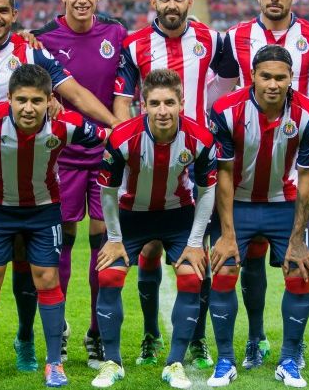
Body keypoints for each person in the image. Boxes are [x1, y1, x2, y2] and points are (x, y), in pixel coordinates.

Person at [0, 0, 120, 374]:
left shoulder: (32, 50)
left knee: (26, 257)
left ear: (14, 15)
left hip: (26, 166)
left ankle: (25, 338)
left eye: (4, 11)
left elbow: (76, 93)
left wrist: (120, 128)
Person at [0, 64, 107, 388]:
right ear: (9, 98)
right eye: (21, 100)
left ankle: (54, 363)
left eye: (36, 100)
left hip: (43, 212)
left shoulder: (66, 125)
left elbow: (107, 138)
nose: (28, 108)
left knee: (47, 279)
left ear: (49, 100)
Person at [112, 0, 229, 369]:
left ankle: (197, 341)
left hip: (197, 156)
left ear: (189, 2)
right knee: (148, 249)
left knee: (199, 252)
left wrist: (210, 120)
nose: (172, 5)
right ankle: (149, 334)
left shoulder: (212, 39)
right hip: (148, 157)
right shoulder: (135, 44)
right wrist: (127, 142)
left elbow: (228, 82)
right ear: (153, 3)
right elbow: (124, 98)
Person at [216, 0, 309, 370]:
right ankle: (252, 340)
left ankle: (289, 354)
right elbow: (223, 93)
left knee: (295, 267)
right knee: (241, 264)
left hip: (288, 171)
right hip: (241, 170)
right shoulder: (234, 37)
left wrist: (300, 129)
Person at [92, 69, 217, 389]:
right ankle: (112, 362)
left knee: (192, 275)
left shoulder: (200, 139)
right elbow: (107, 191)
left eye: (170, 103)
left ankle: (175, 363)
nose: (163, 110)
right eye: (155, 103)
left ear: (182, 104)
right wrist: (115, 239)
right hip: (132, 217)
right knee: (108, 274)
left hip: (178, 216)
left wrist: (194, 243)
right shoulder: (122, 138)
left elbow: (206, 193)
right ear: (142, 105)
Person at [30, 0, 127, 369]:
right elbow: (65, 92)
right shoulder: (43, 40)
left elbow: (124, 88)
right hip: (65, 155)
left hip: (105, 155)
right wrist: (120, 128)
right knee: (64, 238)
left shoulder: (116, 34)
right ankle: (62, 331)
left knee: (104, 241)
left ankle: (97, 332)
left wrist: (119, 136)